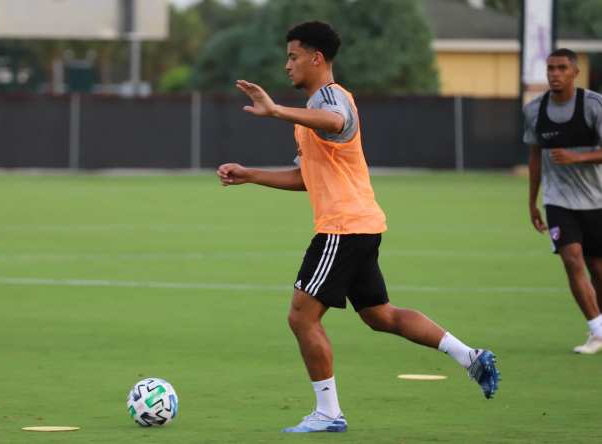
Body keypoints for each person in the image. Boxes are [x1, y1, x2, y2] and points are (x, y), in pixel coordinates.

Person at [216, 21, 499, 433]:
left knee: (301, 317)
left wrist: (275, 110)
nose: (286, 65)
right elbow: (306, 177)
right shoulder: (312, 110)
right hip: (360, 225)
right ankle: (469, 356)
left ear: (317, 58)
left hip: (343, 228)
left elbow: (334, 121)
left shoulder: (333, 100)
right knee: (381, 316)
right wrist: (251, 175)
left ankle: (329, 413)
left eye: (293, 56)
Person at [524, 48, 602, 354]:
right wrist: (532, 201)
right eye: (550, 68)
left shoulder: (594, 105)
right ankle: (596, 330)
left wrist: (576, 157)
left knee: (597, 267)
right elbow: (534, 157)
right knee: (572, 258)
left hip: (596, 200)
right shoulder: (534, 110)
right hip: (558, 201)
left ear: (575, 72)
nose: (554, 74)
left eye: (561, 68)